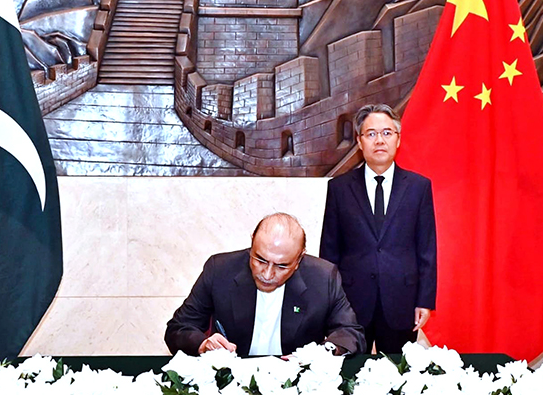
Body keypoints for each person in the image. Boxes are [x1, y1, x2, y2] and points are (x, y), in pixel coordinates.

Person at [320, 104, 436, 354]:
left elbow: (427, 249)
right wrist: (328, 303)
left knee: (398, 376)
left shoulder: (418, 187)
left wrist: (424, 300)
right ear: (360, 142)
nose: (379, 140)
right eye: (371, 134)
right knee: (347, 374)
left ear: (398, 139)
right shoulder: (339, 189)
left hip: (402, 300)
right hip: (351, 302)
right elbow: (329, 251)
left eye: (387, 133)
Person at [165, 213, 366, 357]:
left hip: (295, 382)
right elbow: (178, 329)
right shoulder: (220, 270)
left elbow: (350, 332)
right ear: (252, 243)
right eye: (260, 260)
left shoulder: (323, 278)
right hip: (233, 382)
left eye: (281, 266)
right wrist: (203, 343)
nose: (267, 274)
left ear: (298, 260)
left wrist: (319, 354)